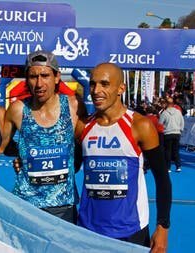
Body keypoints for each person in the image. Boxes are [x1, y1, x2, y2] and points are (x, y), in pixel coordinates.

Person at [75, 63, 172, 252]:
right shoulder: (83, 127)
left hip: (130, 231)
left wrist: (163, 227)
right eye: (93, 84)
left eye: (104, 84)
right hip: (88, 229)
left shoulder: (140, 125)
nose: (96, 90)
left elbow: (162, 179)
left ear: (121, 88)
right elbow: (73, 165)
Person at [0, 50, 87, 224]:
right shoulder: (17, 109)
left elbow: (87, 144)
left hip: (63, 205)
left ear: (56, 77)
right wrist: (22, 155)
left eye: (45, 75)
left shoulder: (73, 106)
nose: (39, 83)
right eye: (33, 77)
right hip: (26, 204)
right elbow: (2, 147)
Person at [159, 97, 184, 173]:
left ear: (166, 103)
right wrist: (180, 130)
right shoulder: (178, 112)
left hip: (168, 133)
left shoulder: (165, 113)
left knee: (168, 151)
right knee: (176, 150)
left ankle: (168, 167)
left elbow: (160, 124)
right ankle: (178, 166)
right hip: (177, 133)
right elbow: (182, 122)